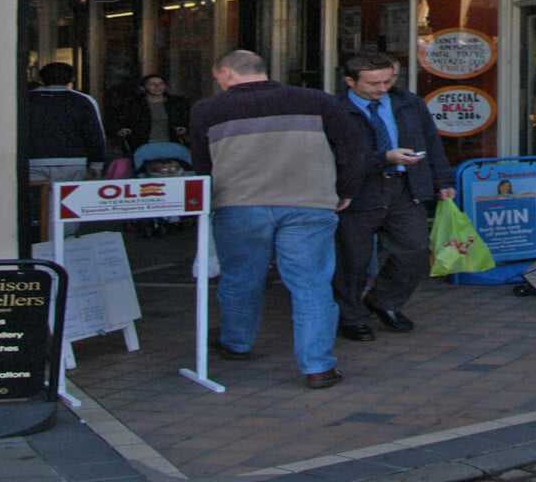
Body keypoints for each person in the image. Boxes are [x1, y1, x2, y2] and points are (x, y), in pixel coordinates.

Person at [188, 47, 369, 389]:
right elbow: (353, 147)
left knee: (241, 279)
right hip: (309, 203)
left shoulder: (207, 109)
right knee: (311, 284)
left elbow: (201, 164)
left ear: (225, 72)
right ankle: (317, 366)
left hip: (238, 205)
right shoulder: (316, 100)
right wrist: (345, 190)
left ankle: (236, 343)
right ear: (262, 69)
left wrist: (212, 198)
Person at [332, 49, 453, 341]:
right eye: (373, 84)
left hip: (404, 186)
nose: (382, 89)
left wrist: (442, 179)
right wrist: (383, 157)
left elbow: (430, 141)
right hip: (357, 191)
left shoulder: (408, 102)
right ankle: (351, 317)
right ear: (350, 81)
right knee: (353, 260)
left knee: (415, 249)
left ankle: (384, 300)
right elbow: (336, 155)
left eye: (388, 81)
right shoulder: (334, 110)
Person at [26, 61, 106, 179]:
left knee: (37, 197)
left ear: (41, 77)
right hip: (73, 161)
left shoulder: (27, 99)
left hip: (33, 160)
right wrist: (97, 164)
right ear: (72, 79)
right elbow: (94, 133)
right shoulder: (83, 100)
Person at [110, 72, 190, 158]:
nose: (157, 87)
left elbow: (186, 120)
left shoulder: (177, 103)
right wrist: (122, 130)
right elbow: (121, 121)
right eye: (152, 84)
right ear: (143, 87)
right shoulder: (132, 104)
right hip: (142, 145)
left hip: (171, 144)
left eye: (161, 84)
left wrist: (184, 128)